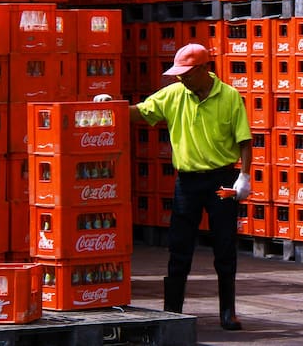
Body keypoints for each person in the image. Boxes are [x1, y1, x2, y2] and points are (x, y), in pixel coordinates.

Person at [107, 43, 252, 330]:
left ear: (202, 69)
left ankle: (228, 312)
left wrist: (244, 177)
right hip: (187, 181)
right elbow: (142, 112)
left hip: (222, 179)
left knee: (225, 246)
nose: (181, 78)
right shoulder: (174, 94)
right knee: (179, 246)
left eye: (186, 73)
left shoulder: (230, 97)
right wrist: (113, 106)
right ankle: (172, 311)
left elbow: (244, 140)